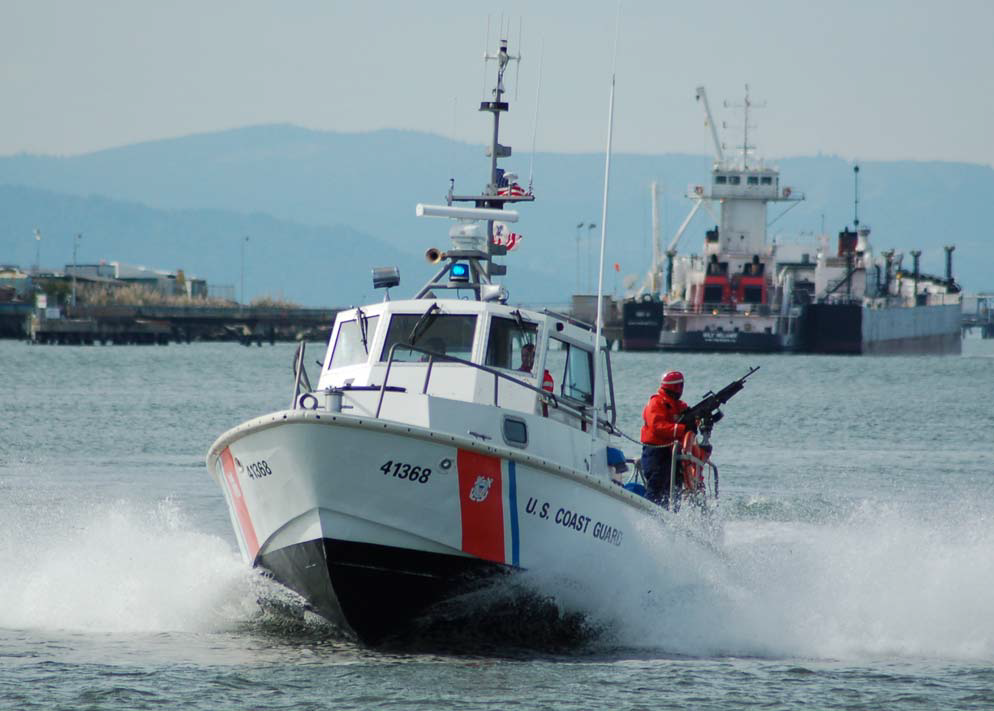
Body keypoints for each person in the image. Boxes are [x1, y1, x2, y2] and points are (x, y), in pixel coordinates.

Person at [640, 370, 695, 508]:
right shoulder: (657, 403)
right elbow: (657, 426)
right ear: (677, 387)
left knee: (674, 486)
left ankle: (671, 517)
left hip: (672, 452)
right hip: (656, 452)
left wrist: (695, 422)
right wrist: (682, 428)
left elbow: (689, 418)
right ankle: (648, 513)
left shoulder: (678, 406)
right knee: (657, 485)